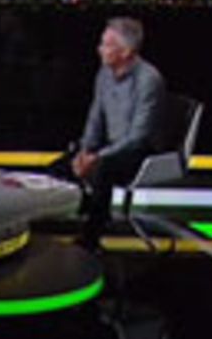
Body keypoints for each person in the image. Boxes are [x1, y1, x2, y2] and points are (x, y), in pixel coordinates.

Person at [58, 16, 165, 246]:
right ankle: (77, 214)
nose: (100, 49)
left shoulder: (149, 79)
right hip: (109, 146)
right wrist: (84, 150)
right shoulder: (104, 73)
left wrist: (97, 157)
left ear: (125, 51)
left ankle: (91, 236)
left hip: (140, 151)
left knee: (102, 168)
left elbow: (138, 137)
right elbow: (95, 117)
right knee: (61, 165)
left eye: (106, 45)